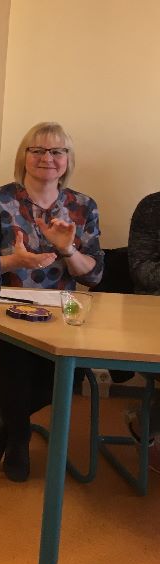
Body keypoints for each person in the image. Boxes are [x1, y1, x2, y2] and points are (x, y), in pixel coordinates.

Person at [0, 122, 103, 482]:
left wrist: (67, 250)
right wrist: (15, 261)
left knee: (69, 375)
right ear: (24, 156)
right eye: (37, 150)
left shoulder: (82, 206)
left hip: (60, 312)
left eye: (57, 151)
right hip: (3, 310)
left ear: (67, 159)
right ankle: (19, 439)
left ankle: (5, 421)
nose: (47, 158)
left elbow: (94, 275)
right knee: (10, 362)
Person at [125, 192, 160, 470]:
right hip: (152, 317)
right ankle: (146, 423)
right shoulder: (153, 207)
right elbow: (143, 271)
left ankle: (147, 422)